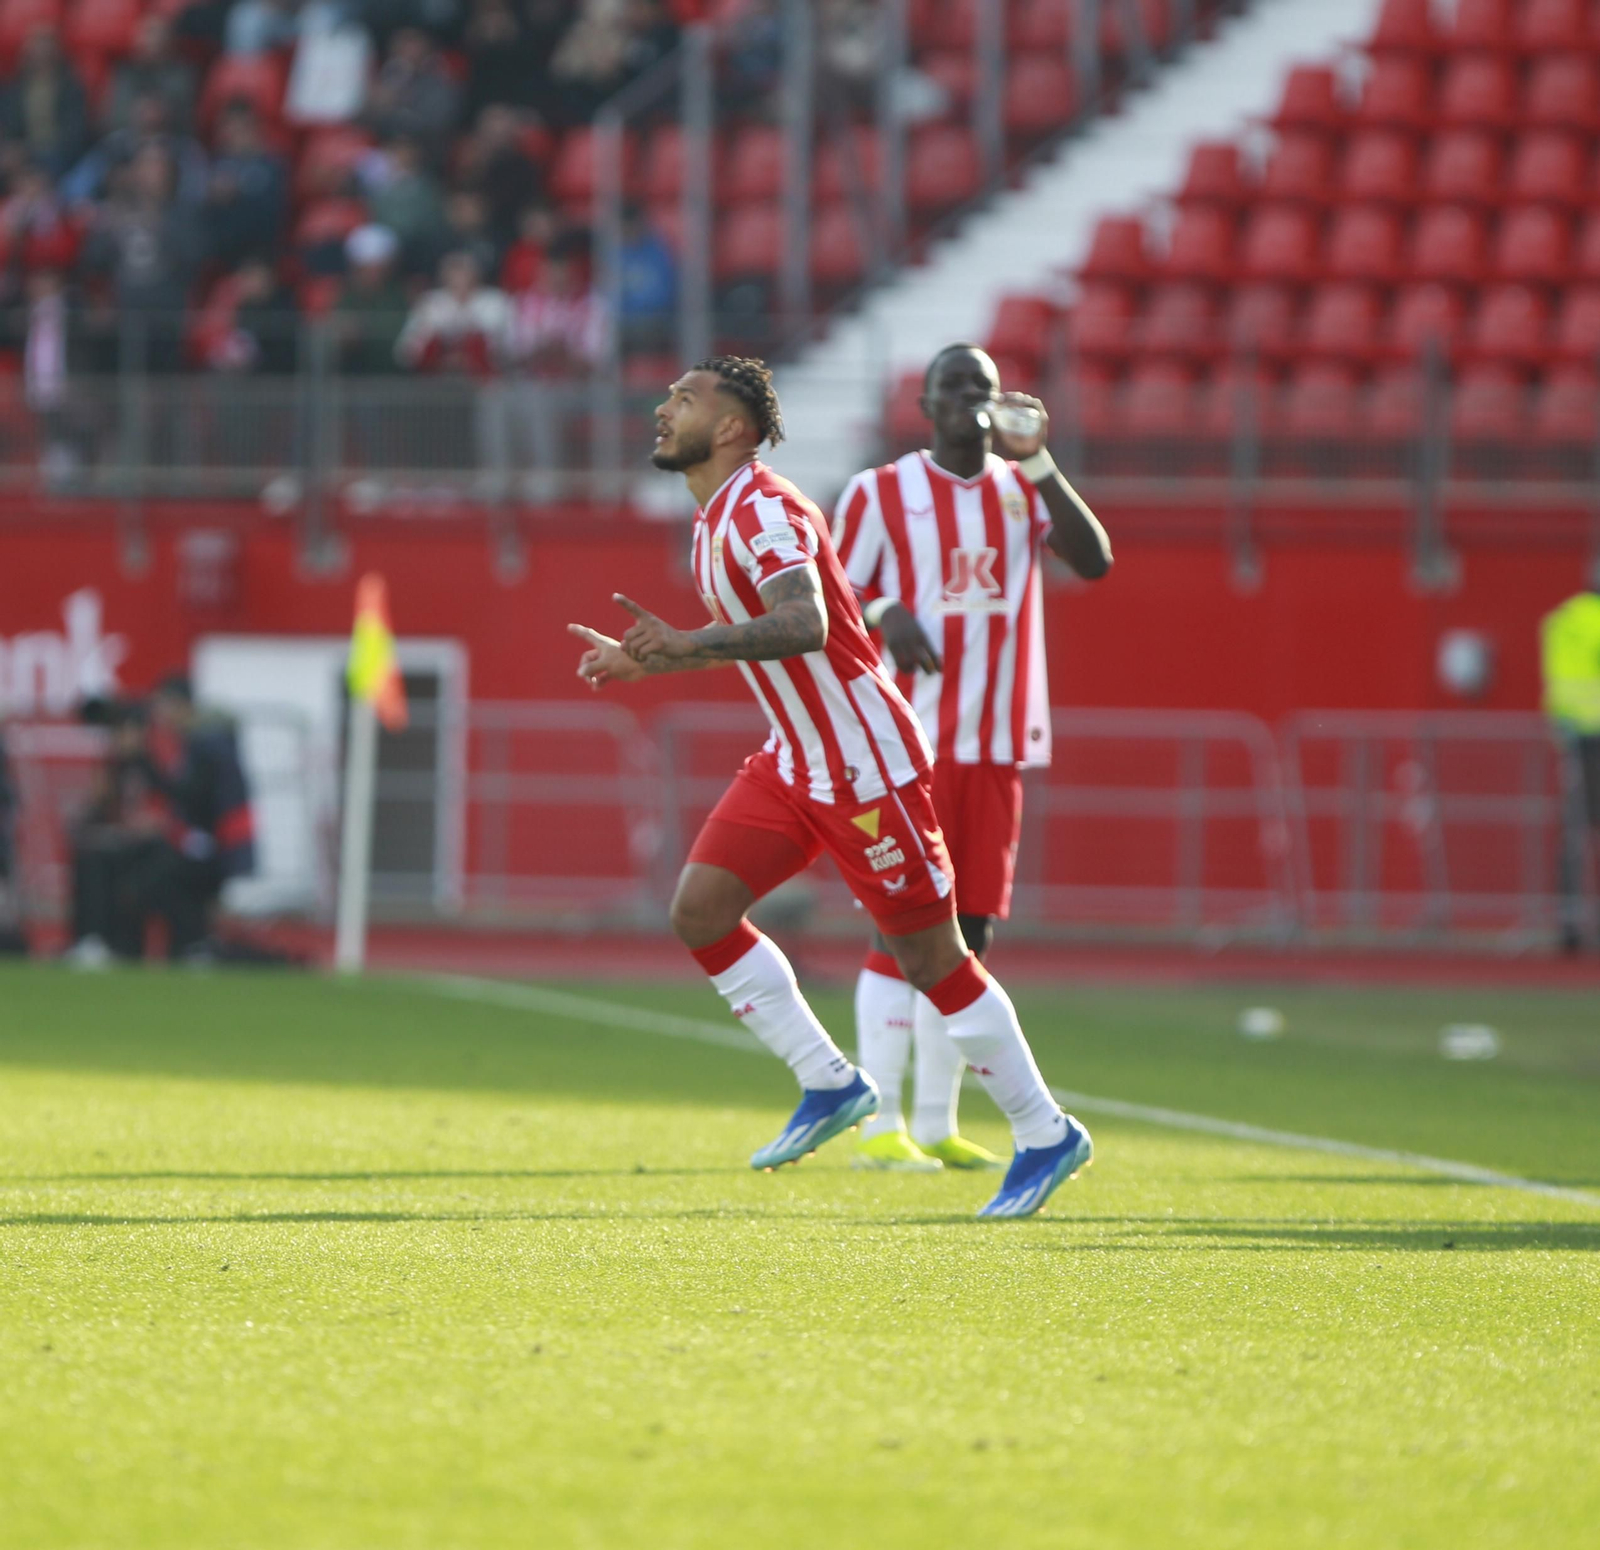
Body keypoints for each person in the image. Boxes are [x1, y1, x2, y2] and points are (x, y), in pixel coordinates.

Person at [568, 357, 1092, 1218]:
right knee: (699, 911)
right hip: (795, 758)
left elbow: (804, 621)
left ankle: (1045, 1133)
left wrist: (690, 643)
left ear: (733, 427)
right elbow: (795, 634)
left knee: (933, 960)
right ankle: (829, 1082)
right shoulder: (713, 517)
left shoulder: (764, 506)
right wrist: (647, 657)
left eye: (685, 399)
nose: (663, 410)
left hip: (862, 767)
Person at [831, 343, 1113, 1171]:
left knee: (970, 938)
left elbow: (1094, 561)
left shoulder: (1023, 493)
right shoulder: (881, 491)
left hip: (995, 744)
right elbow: (830, 589)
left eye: (983, 390)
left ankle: (934, 1121)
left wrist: (1043, 462)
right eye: (953, 387)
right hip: (907, 745)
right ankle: (879, 1122)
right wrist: (886, 609)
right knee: (900, 925)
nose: (969, 401)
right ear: (924, 404)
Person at [1542, 573, 1600, 953]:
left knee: (1574, 832)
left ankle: (1568, 922)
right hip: (1594, 736)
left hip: (1570, 736)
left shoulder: (1561, 619)